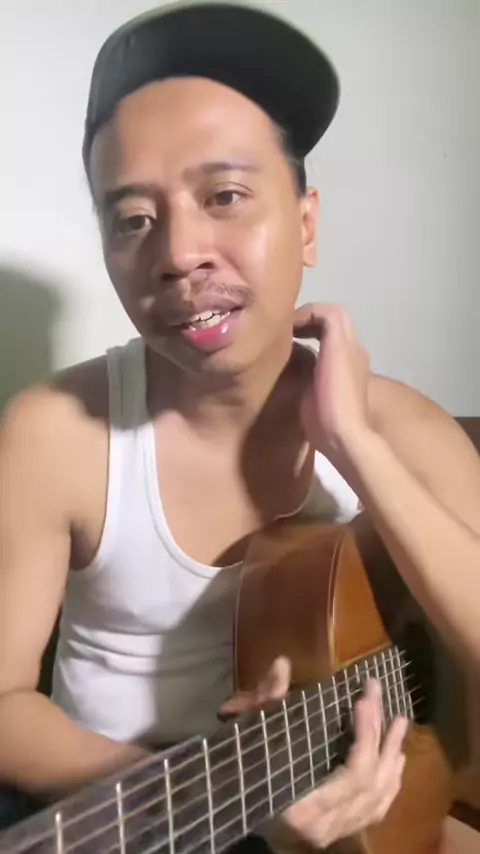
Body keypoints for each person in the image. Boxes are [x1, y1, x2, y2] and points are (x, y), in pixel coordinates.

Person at [0, 2, 479, 851]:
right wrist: (202, 793)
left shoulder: (404, 429)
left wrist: (355, 445)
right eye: (133, 220)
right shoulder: (54, 435)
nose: (179, 254)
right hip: (133, 814)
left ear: (306, 223)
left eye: (224, 196)